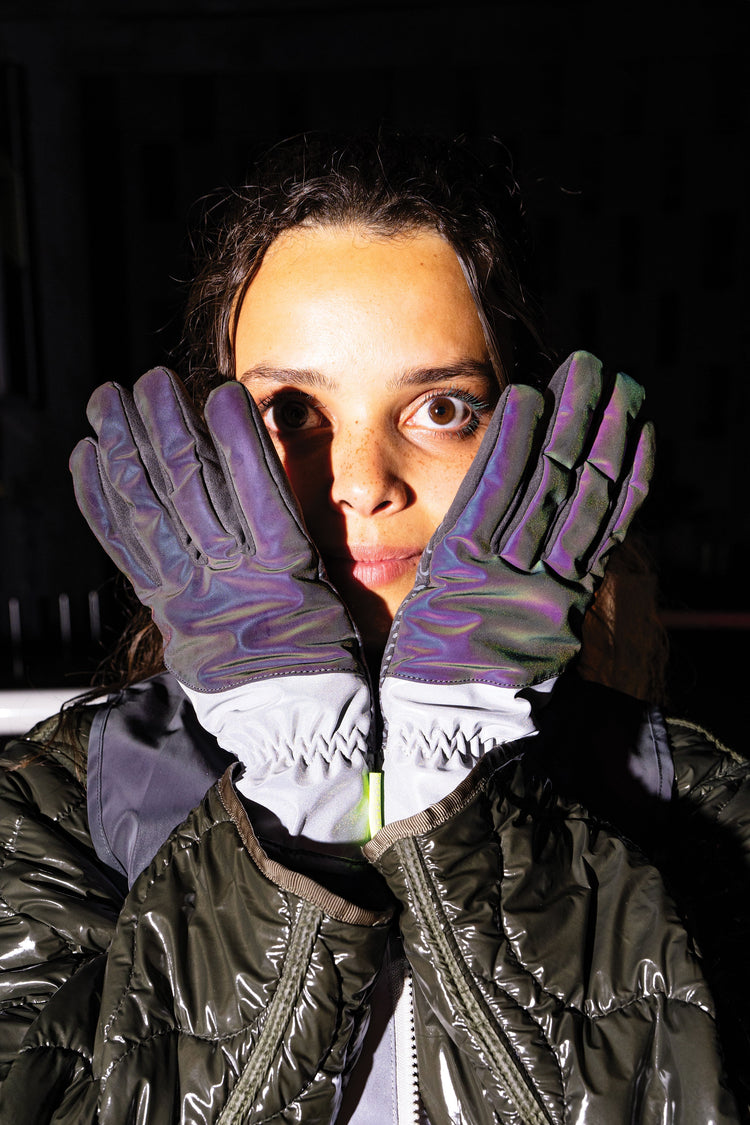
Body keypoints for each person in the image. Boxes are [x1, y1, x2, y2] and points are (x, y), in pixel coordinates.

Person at [0, 132, 747, 1124]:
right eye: (289, 413)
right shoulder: (59, 810)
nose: (360, 482)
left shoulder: (696, 804)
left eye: (440, 408)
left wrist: (461, 767)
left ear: (530, 444)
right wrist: (294, 785)